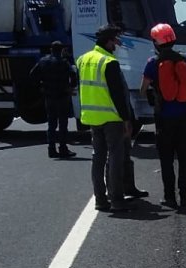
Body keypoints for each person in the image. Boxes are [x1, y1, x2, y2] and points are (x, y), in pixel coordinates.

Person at [77, 24, 148, 212]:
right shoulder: (109, 62)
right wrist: (127, 119)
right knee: (115, 158)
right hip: (111, 117)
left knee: (97, 158)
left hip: (92, 116)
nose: (117, 43)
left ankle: (100, 200)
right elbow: (118, 95)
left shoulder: (83, 60)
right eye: (115, 40)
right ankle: (117, 199)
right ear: (108, 41)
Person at [141, 23, 186, 216]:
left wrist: (152, 95)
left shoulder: (152, 62)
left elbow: (143, 89)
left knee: (166, 159)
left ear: (156, 43)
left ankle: (169, 198)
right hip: (185, 119)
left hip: (164, 120)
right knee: (184, 159)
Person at [29, 40, 77, 159]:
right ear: (61, 50)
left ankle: (51, 149)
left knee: (51, 124)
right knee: (63, 124)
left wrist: (41, 86)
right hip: (62, 96)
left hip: (49, 96)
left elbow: (32, 75)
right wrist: (70, 88)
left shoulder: (43, 61)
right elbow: (74, 76)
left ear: (51, 49)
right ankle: (63, 148)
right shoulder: (64, 63)